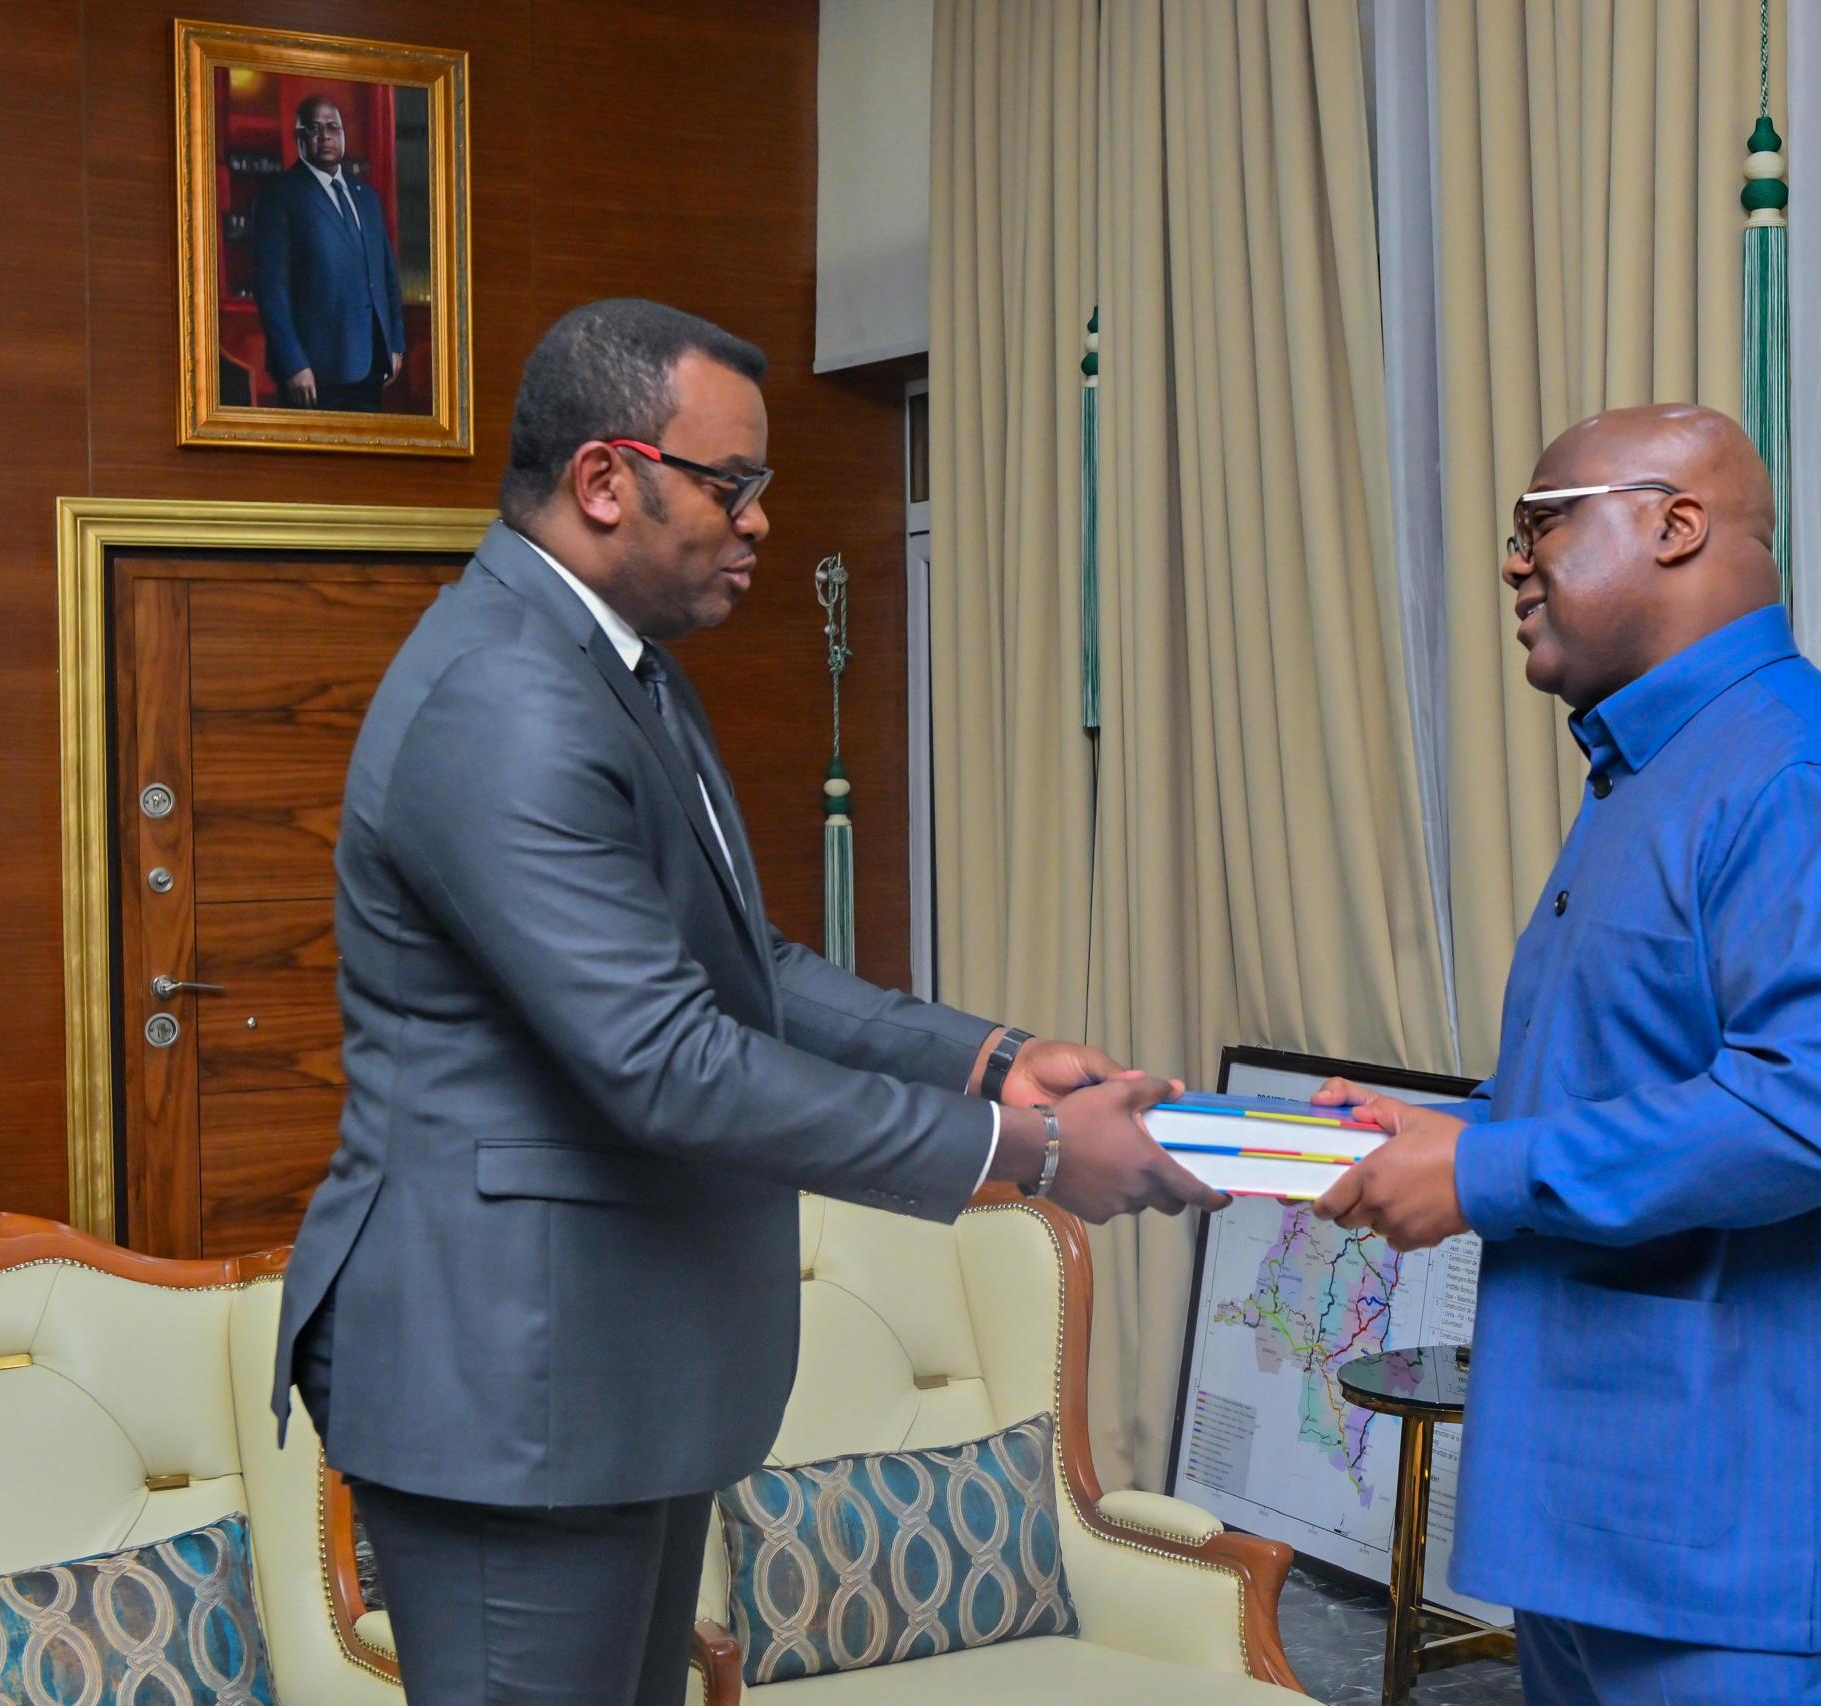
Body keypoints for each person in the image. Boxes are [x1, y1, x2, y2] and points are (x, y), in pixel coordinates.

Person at [272, 297, 1227, 1705]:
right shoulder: (505, 694)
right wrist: (1025, 1153)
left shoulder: (624, 673)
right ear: (607, 479)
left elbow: (750, 969)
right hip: (514, 1387)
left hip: (607, 1372)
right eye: (733, 484)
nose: (761, 519)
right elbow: (665, 1058)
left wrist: (991, 1060)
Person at [1311, 406, 1821, 1703]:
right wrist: (1445, 1138)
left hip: (1753, 1553)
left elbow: (1810, 1113)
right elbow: (1630, 1087)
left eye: (1540, 521)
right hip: (1602, 1527)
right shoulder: (1652, 774)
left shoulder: (1814, 776)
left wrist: (1479, 1172)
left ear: (1676, 524)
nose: (1513, 561)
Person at [250, 93, 406, 410]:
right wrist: (293, 364)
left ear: (343, 135)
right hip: (313, 375)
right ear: (299, 136)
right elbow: (271, 291)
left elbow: (387, 277)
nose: (325, 136)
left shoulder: (366, 197)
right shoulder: (279, 196)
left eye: (332, 127)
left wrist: (396, 344)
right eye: (314, 128)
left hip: (372, 366)